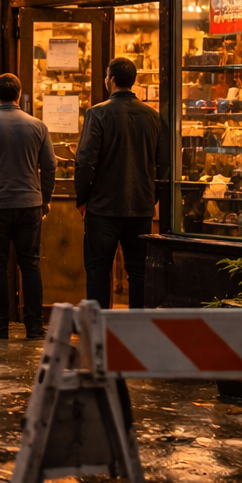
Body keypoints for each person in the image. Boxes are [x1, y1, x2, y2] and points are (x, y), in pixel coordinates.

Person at [0, 73, 56, 340]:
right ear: (19, 94)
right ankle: (34, 326)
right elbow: (49, 166)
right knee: (30, 265)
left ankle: (0, 324)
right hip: (29, 204)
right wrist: (45, 199)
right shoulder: (38, 126)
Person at [75, 57, 170, 308]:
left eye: (107, 76)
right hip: (140, 205)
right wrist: (152, 196)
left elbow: (85, 161)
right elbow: (164, 163)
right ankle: (135, 330)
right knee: (139, 271)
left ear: (112, 80)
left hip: (102, 207)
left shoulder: (97, 113)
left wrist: (82, 198)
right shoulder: (154, 117)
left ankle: (98, 330)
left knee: (98, 270)